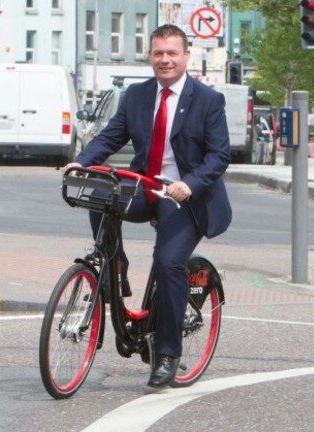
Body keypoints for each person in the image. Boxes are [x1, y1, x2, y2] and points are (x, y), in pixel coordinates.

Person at [65, 24, 232, 388]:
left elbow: (219, 156)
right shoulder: (138, 95)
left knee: (168, 262)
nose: (165, 60)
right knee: (98, 191)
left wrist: (188, 184)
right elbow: (111, 135)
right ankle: (116, 266)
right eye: (158, 53)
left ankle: (168, 353)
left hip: (187, 197)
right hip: (148, 186)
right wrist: (82, 161)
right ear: (150, 56)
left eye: (172, 53)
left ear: (187, 56)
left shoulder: (207, 100)